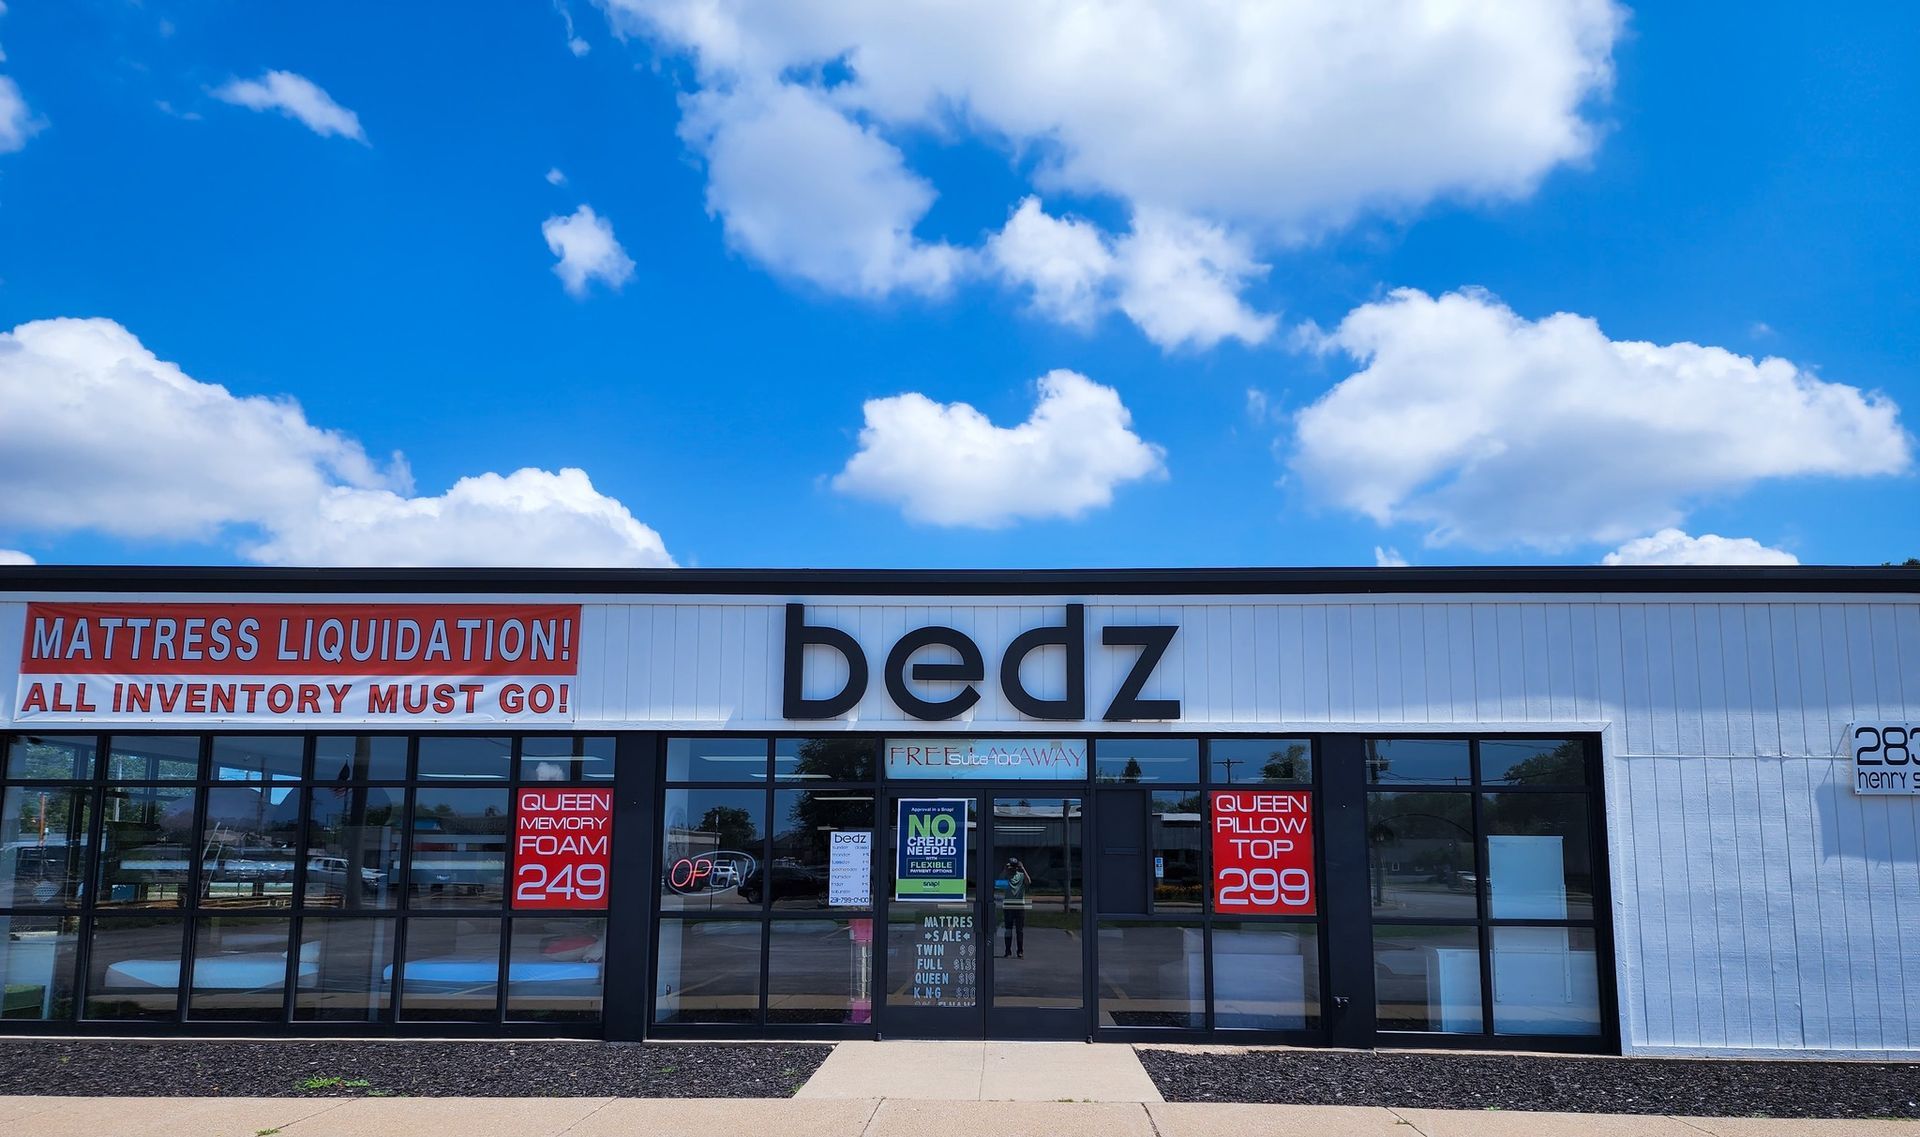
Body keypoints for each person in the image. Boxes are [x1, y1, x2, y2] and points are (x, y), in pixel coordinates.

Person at [1001, 857, 1032, 958]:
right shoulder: (1006, 877)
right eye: (1010, 867)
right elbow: (998, 884)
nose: (1012, 869)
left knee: (1019, 930)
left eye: (1013, 867)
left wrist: (1023, 868)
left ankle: (1020, 951)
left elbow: (1028, 882)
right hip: (1008, 906)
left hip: (1019, 906)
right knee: (1008, 930)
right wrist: (1004, 870)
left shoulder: (1021, 876)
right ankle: (1007, 950)